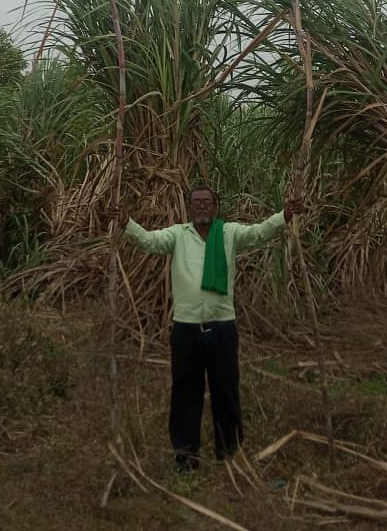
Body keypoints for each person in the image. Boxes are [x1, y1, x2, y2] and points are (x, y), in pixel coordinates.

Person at [110, 185, 304, 471]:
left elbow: (261, 232)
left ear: (216, 206)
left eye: (207, 202)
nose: (201, 206)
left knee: (226, 391)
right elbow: (149, 242)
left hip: (222, 328)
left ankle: (228, 454)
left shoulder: (229, 234)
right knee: (185, 393)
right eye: (196, 202)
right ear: (189, 207)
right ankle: (186, 456)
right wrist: (126, 222)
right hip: (186, 329)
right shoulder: (178, 235)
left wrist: (285, 215)